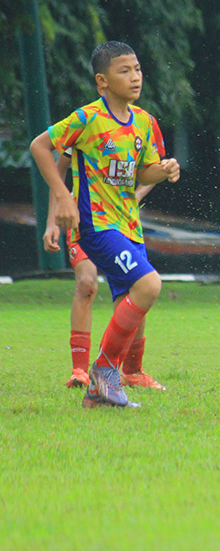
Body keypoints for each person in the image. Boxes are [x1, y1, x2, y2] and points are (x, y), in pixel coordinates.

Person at [29, 41, 180, 408]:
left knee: (133, 298)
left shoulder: (144, 122)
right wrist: (63, 198)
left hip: (130, 227)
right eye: (124, 71)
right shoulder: (87, 118)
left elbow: (141, 171)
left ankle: (109, 382)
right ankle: (101, 372)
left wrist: (161, 171)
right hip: (96, 226)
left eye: (138, 69)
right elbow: (39, 147)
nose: (135, 77)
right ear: (102, 81)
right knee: (149, 284)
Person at [43, 139, 165, 391]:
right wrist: (52, 221)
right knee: (86, 283)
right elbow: (58, 166)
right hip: (84, 221)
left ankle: (131, 371)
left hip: (123, 224)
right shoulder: (88, 125)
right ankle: (80, 371)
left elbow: (153, 169)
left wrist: (134, 197)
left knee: (136, 288)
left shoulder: (140, 126)